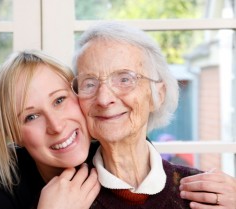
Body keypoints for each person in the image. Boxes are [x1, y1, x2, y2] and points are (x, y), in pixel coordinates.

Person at [71, 21, 236, 208]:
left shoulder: (205, 195)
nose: (103, 98)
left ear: (158, 94)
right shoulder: (63, 199)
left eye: (125, 79)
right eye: (89, 84)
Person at [0, 50, 100, 209]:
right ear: (13, 135)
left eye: (59, 100)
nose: (56, 126)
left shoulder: (116, 156)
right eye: (31, 117)